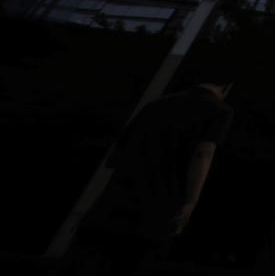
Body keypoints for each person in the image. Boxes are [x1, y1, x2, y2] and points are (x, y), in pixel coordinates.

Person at [68, 69, 234, 275]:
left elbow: (117, 155)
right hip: (160, 206)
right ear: (226, 88)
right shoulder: (218, 111)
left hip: (116, 201)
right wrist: (191, 201)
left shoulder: (156, 104)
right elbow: (203, 154)